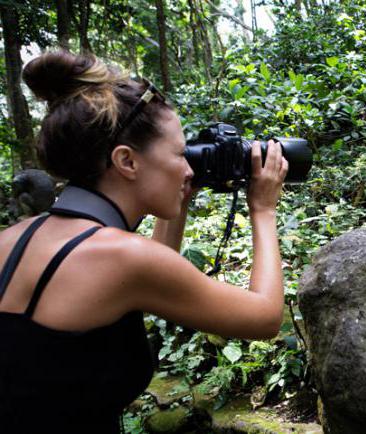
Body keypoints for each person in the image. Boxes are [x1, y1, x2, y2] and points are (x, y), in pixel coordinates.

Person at [0, 50, 288, 433]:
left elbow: (144, 278)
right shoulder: (125, 259)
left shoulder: (14, 237)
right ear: (127, 162)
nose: (189, 169)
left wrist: (178, 203)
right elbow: (266, 317)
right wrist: (263, 209)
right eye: (178, 154)